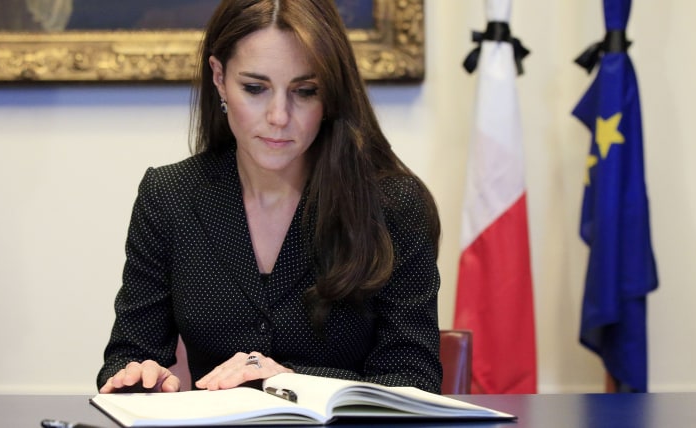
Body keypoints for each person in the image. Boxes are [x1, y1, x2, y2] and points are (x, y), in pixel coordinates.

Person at [97, 0, 442, 395]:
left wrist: (289, 381)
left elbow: (414, 382)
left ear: (329, 95)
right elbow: (128, 353)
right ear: (220, 77)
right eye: (255, 88)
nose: (279, 116)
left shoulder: (393, 204)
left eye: (305, 91)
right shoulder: (169, 195)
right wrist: (137, 376)